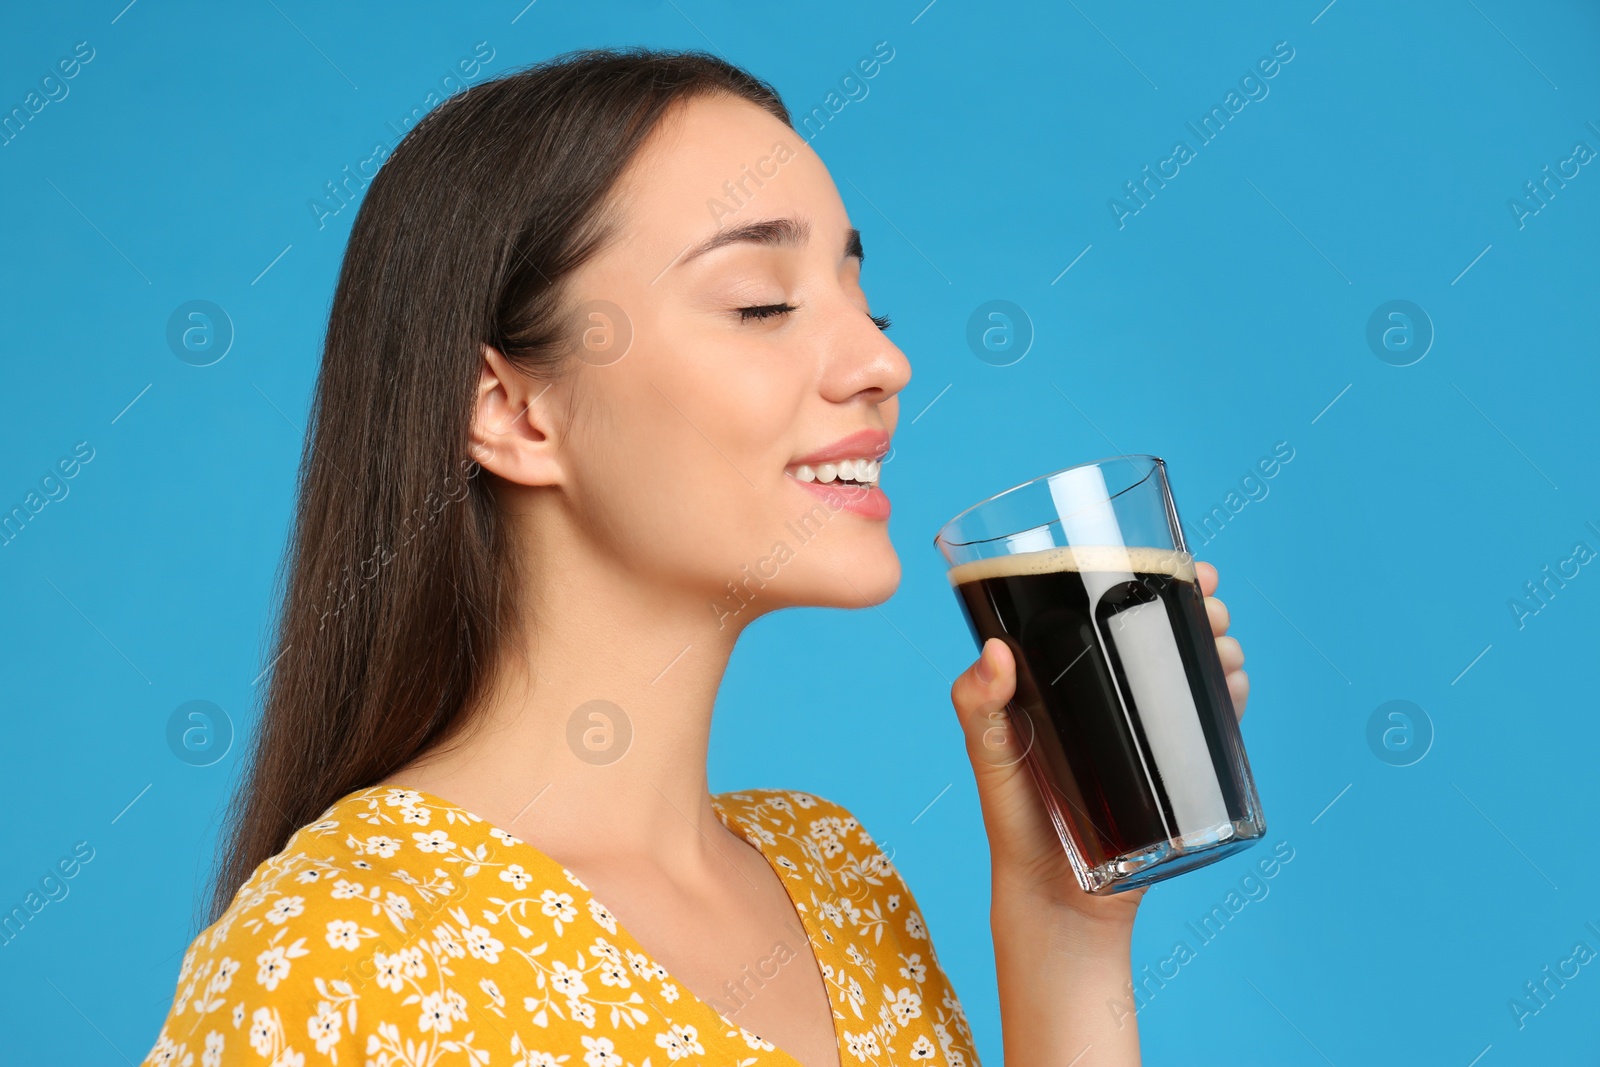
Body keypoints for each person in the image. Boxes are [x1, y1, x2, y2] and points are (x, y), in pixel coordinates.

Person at [140, 47, 1250, 1067]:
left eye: (867, 300)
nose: (882, 359)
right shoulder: (338, 956)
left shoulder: (835, 873)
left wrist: (1064, 925)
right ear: (515, 412)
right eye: (761, 303)